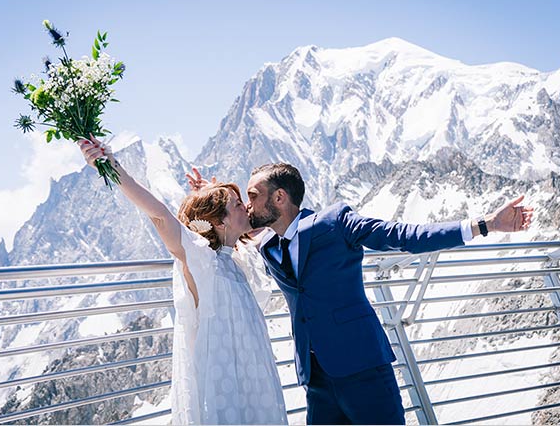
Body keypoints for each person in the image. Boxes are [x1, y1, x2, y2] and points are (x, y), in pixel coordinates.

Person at [190, 162, 534, 425]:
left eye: (252, 196)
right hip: (316, 377)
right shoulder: (268, 246)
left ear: (279, 197)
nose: (247, 205)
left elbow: (405, 236)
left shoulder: (335, 223)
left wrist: (487, 224)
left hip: (362, 368)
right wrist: (212, 198)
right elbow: (231, 227)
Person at [78, 137, 287, 425]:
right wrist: (112, 166)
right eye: (238, 204)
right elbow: (160, 216)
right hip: (224, 387)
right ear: (220, 222)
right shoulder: (203, 261)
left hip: (255, 380)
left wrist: (213, 195)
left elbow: (251, 229)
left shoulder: (239, 261)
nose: (246, 208)